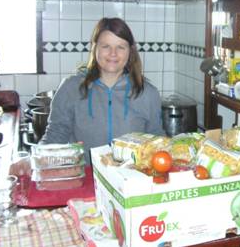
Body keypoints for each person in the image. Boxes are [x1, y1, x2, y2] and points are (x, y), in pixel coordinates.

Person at [40, 17, 164, 164]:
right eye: (106, 46)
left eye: (120, 47)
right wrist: (34, 159)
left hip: (131, 180)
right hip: (85, 179)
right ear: (95, 48)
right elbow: (56, 133)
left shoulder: (147, 93)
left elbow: (156, 140)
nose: (113, 53)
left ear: (130, 52)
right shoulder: (71, 87)